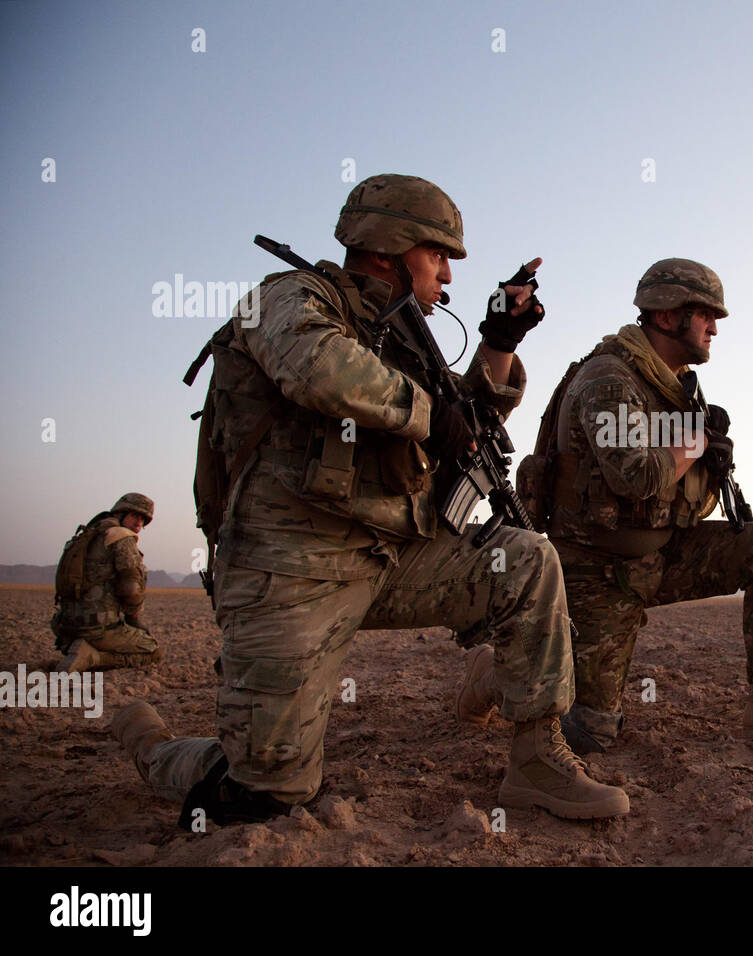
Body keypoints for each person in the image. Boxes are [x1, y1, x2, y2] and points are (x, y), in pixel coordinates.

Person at [109, 174, 629, 824]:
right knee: (266, 795)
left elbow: (464, 422)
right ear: (391, 246)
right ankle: (153, 745)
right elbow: (317, 367)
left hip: (389, 557)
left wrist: (498, 342)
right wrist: (428, 412)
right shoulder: (285, 299)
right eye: (438, 255)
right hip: (288, 575)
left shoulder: (402, 338)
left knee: (525, 560)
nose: (446, 274)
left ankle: (537, 761)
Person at [459, 257, 753, 755]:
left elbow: (681, 492)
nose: (714, 327)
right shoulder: (609, 379)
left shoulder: (676, 385)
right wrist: (693, 443)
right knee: (592, 732)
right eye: (705, 314)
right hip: (596, 571)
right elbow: (638, 477)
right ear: (666, 316)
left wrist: (708, 454)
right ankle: (489, 674)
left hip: (659, 555)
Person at [52, 492, 161, 672]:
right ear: (121, 513)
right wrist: (134, 617)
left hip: (66, 625)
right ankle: (93, 657)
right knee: (154, 651)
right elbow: (132, 588)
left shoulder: (89, 533)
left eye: (143, 519)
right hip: (97, 628)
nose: (138, 523)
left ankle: (78, 647)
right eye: (134, 515)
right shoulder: (121, 537)